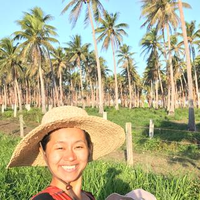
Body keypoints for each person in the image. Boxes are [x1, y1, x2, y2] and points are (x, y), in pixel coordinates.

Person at [7, 106, 125, 200]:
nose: (70, 157)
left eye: (78, 147)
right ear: (44, 152)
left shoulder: (87, 196)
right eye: (60, 148)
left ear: (89, 149)